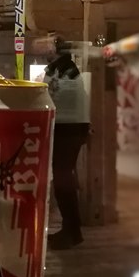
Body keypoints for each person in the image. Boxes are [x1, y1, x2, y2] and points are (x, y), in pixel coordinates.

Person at [44, 36, 90, 250]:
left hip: (67, 131)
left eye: (49, 46)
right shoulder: (62, 69)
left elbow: (58, 100)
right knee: (63, 181)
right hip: (69, 130)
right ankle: (70, 230)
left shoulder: (66, 72)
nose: (46, 49)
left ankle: (72, 232)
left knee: (63, 182)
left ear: (57, 51)